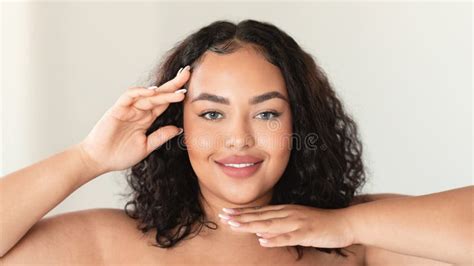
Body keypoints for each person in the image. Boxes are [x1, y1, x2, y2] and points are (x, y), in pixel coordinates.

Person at [0, 19, 471, 265]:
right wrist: (87, 158)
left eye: (267, 112)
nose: (240, 138)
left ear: (299, 123)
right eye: (211, 114)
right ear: (176, 126)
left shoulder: (356, 242)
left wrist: (346, 226)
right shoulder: (106, 245)